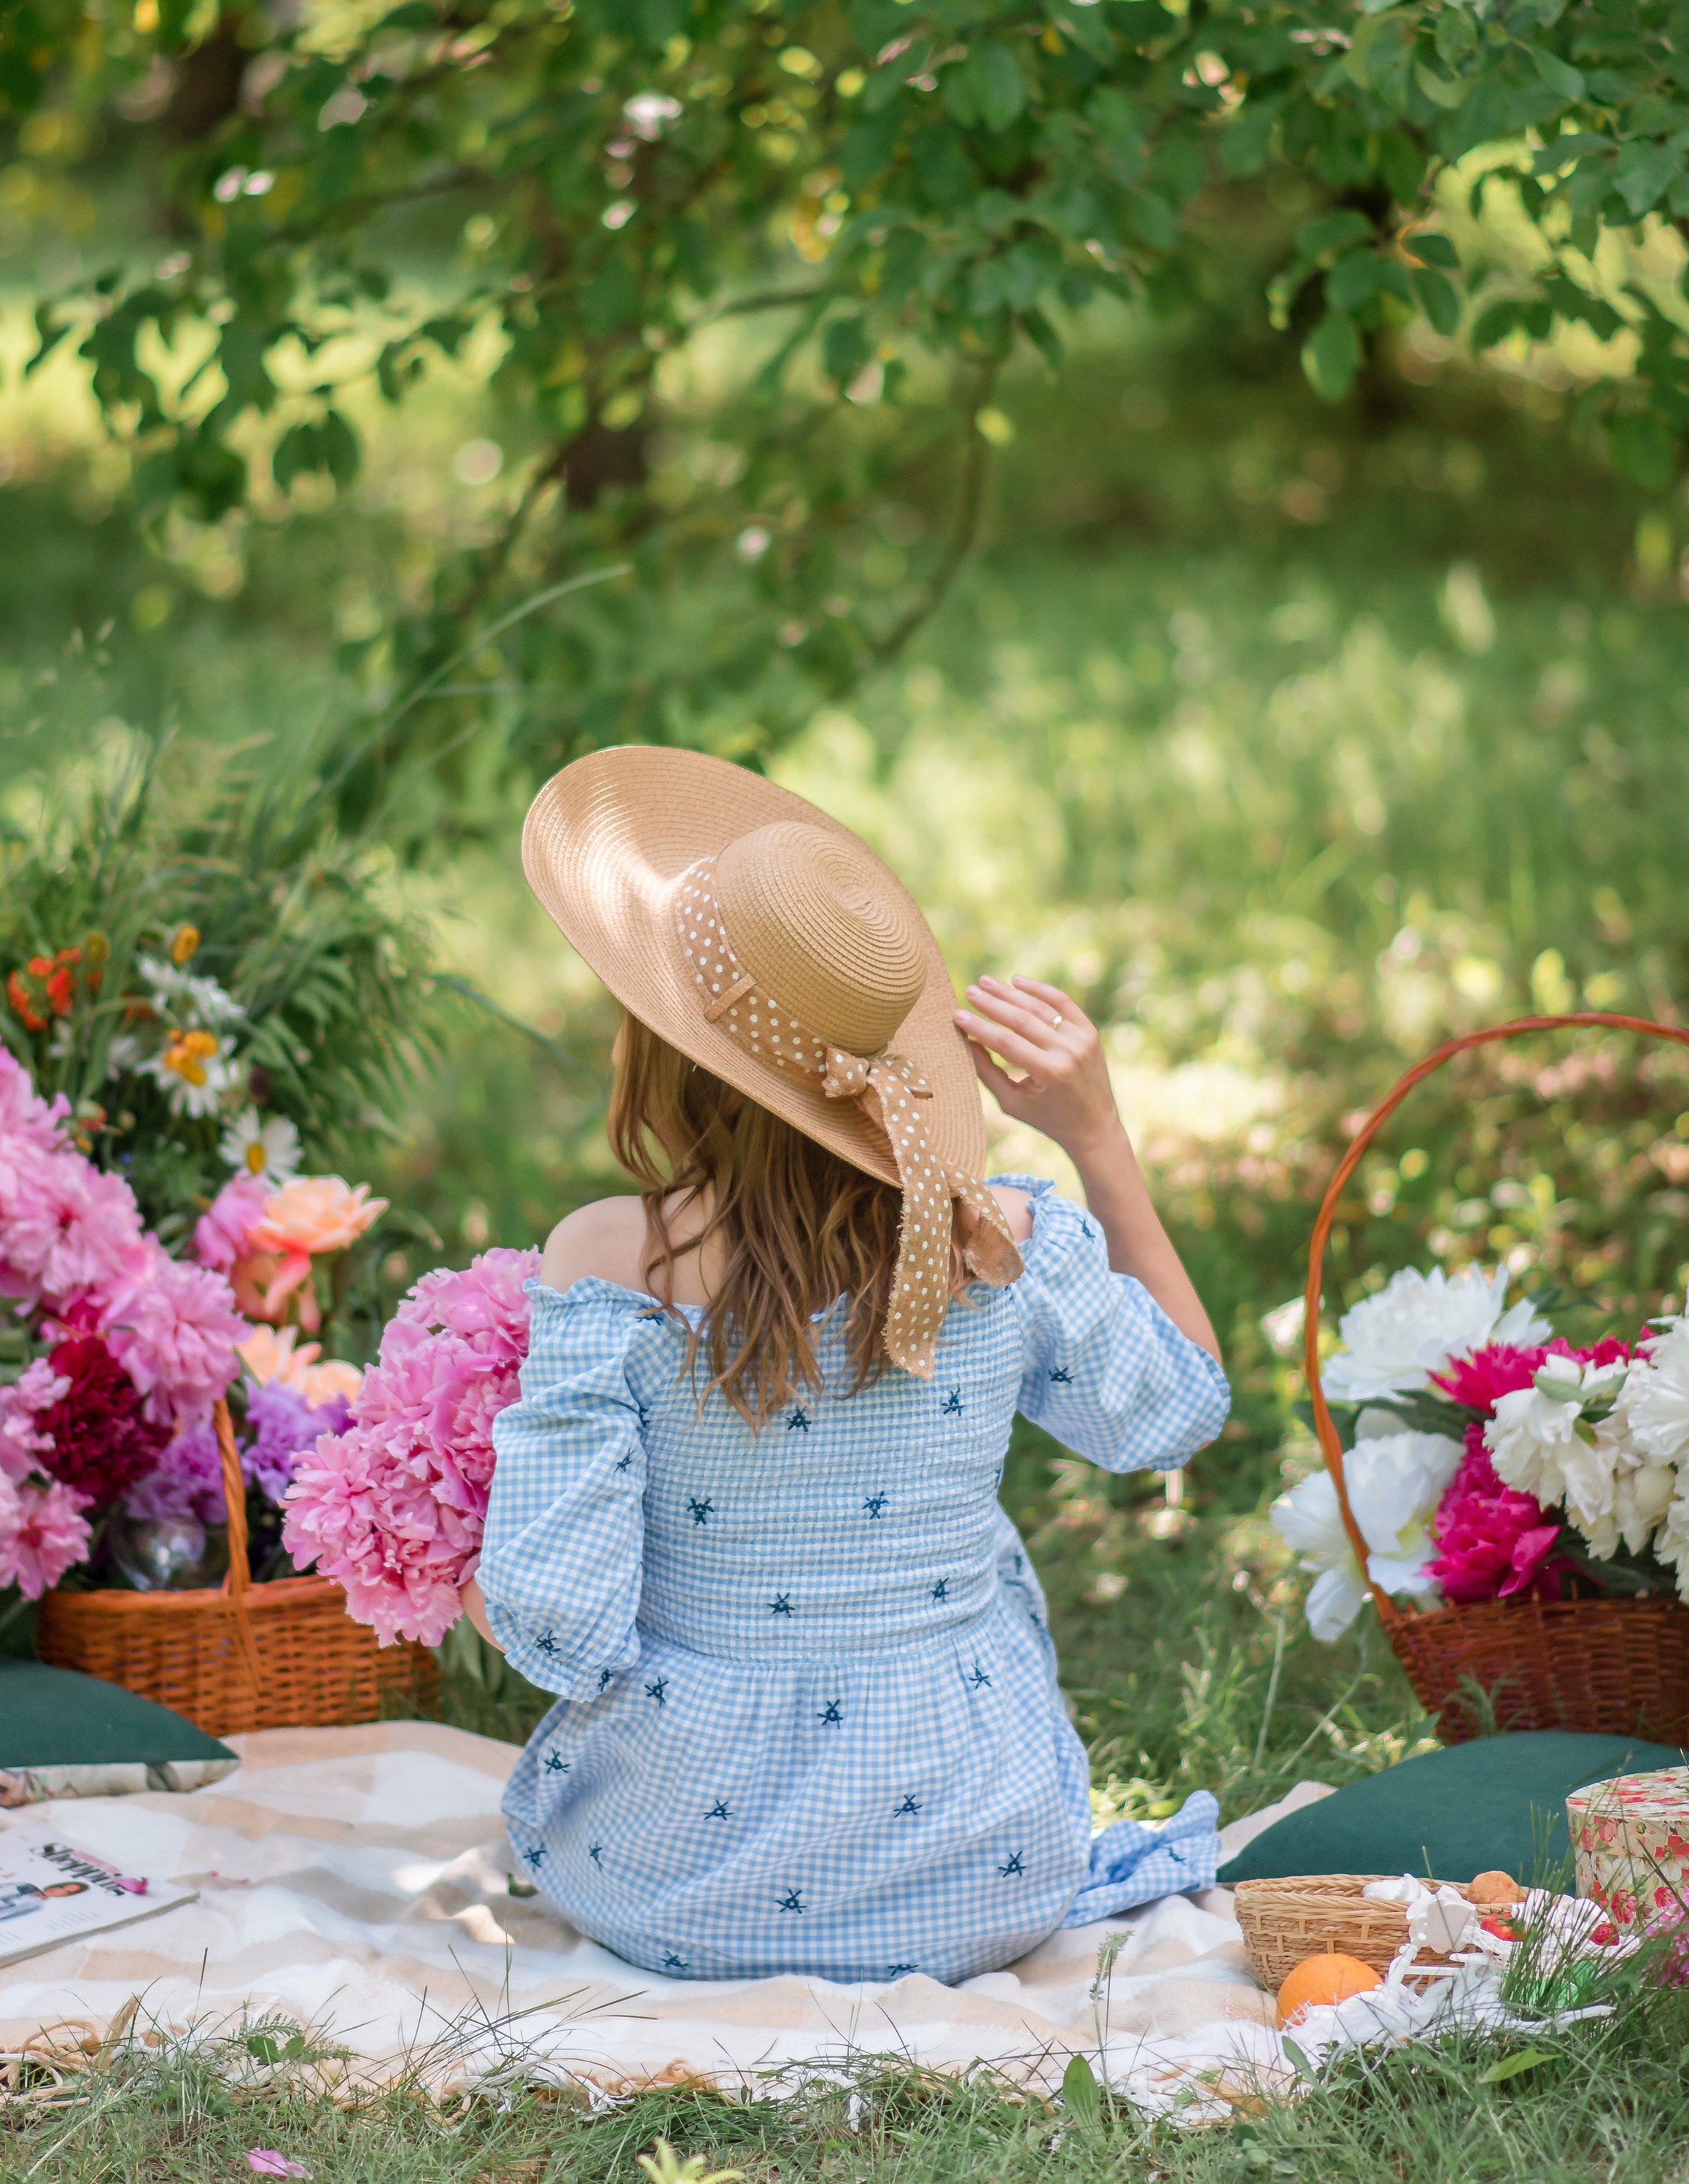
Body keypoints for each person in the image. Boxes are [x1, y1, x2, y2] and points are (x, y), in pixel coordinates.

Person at [470, 746, 1228, 1986]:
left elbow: (562, 1622)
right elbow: (1177, 1410)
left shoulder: (613, 1263)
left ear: (663, 1047)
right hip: (982, 1874)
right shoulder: (996, 1239)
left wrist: (456, 1563)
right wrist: (1097, 1136)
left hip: (680, 1887)